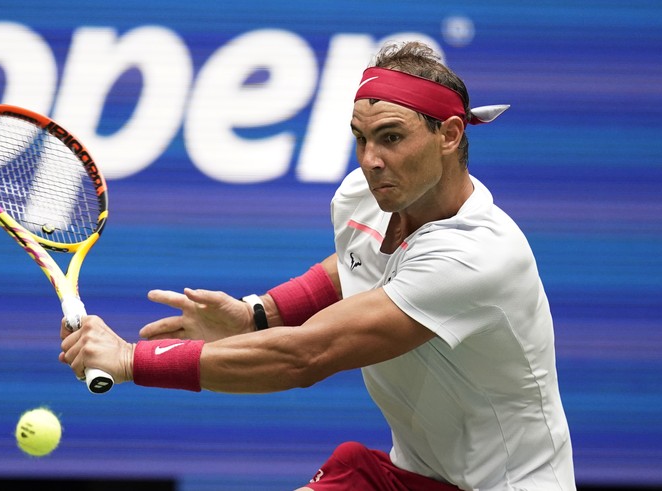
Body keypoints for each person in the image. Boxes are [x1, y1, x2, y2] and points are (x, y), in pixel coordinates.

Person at [59, 40, 576, 491]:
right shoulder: (366, 195)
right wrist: (257, 315)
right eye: (361, 138)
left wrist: (131, 360)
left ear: (449, 135)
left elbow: (306, 356)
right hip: (413, 473)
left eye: (391, 137)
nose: (370, 159)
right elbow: (354, 262)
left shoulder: (475, 255)